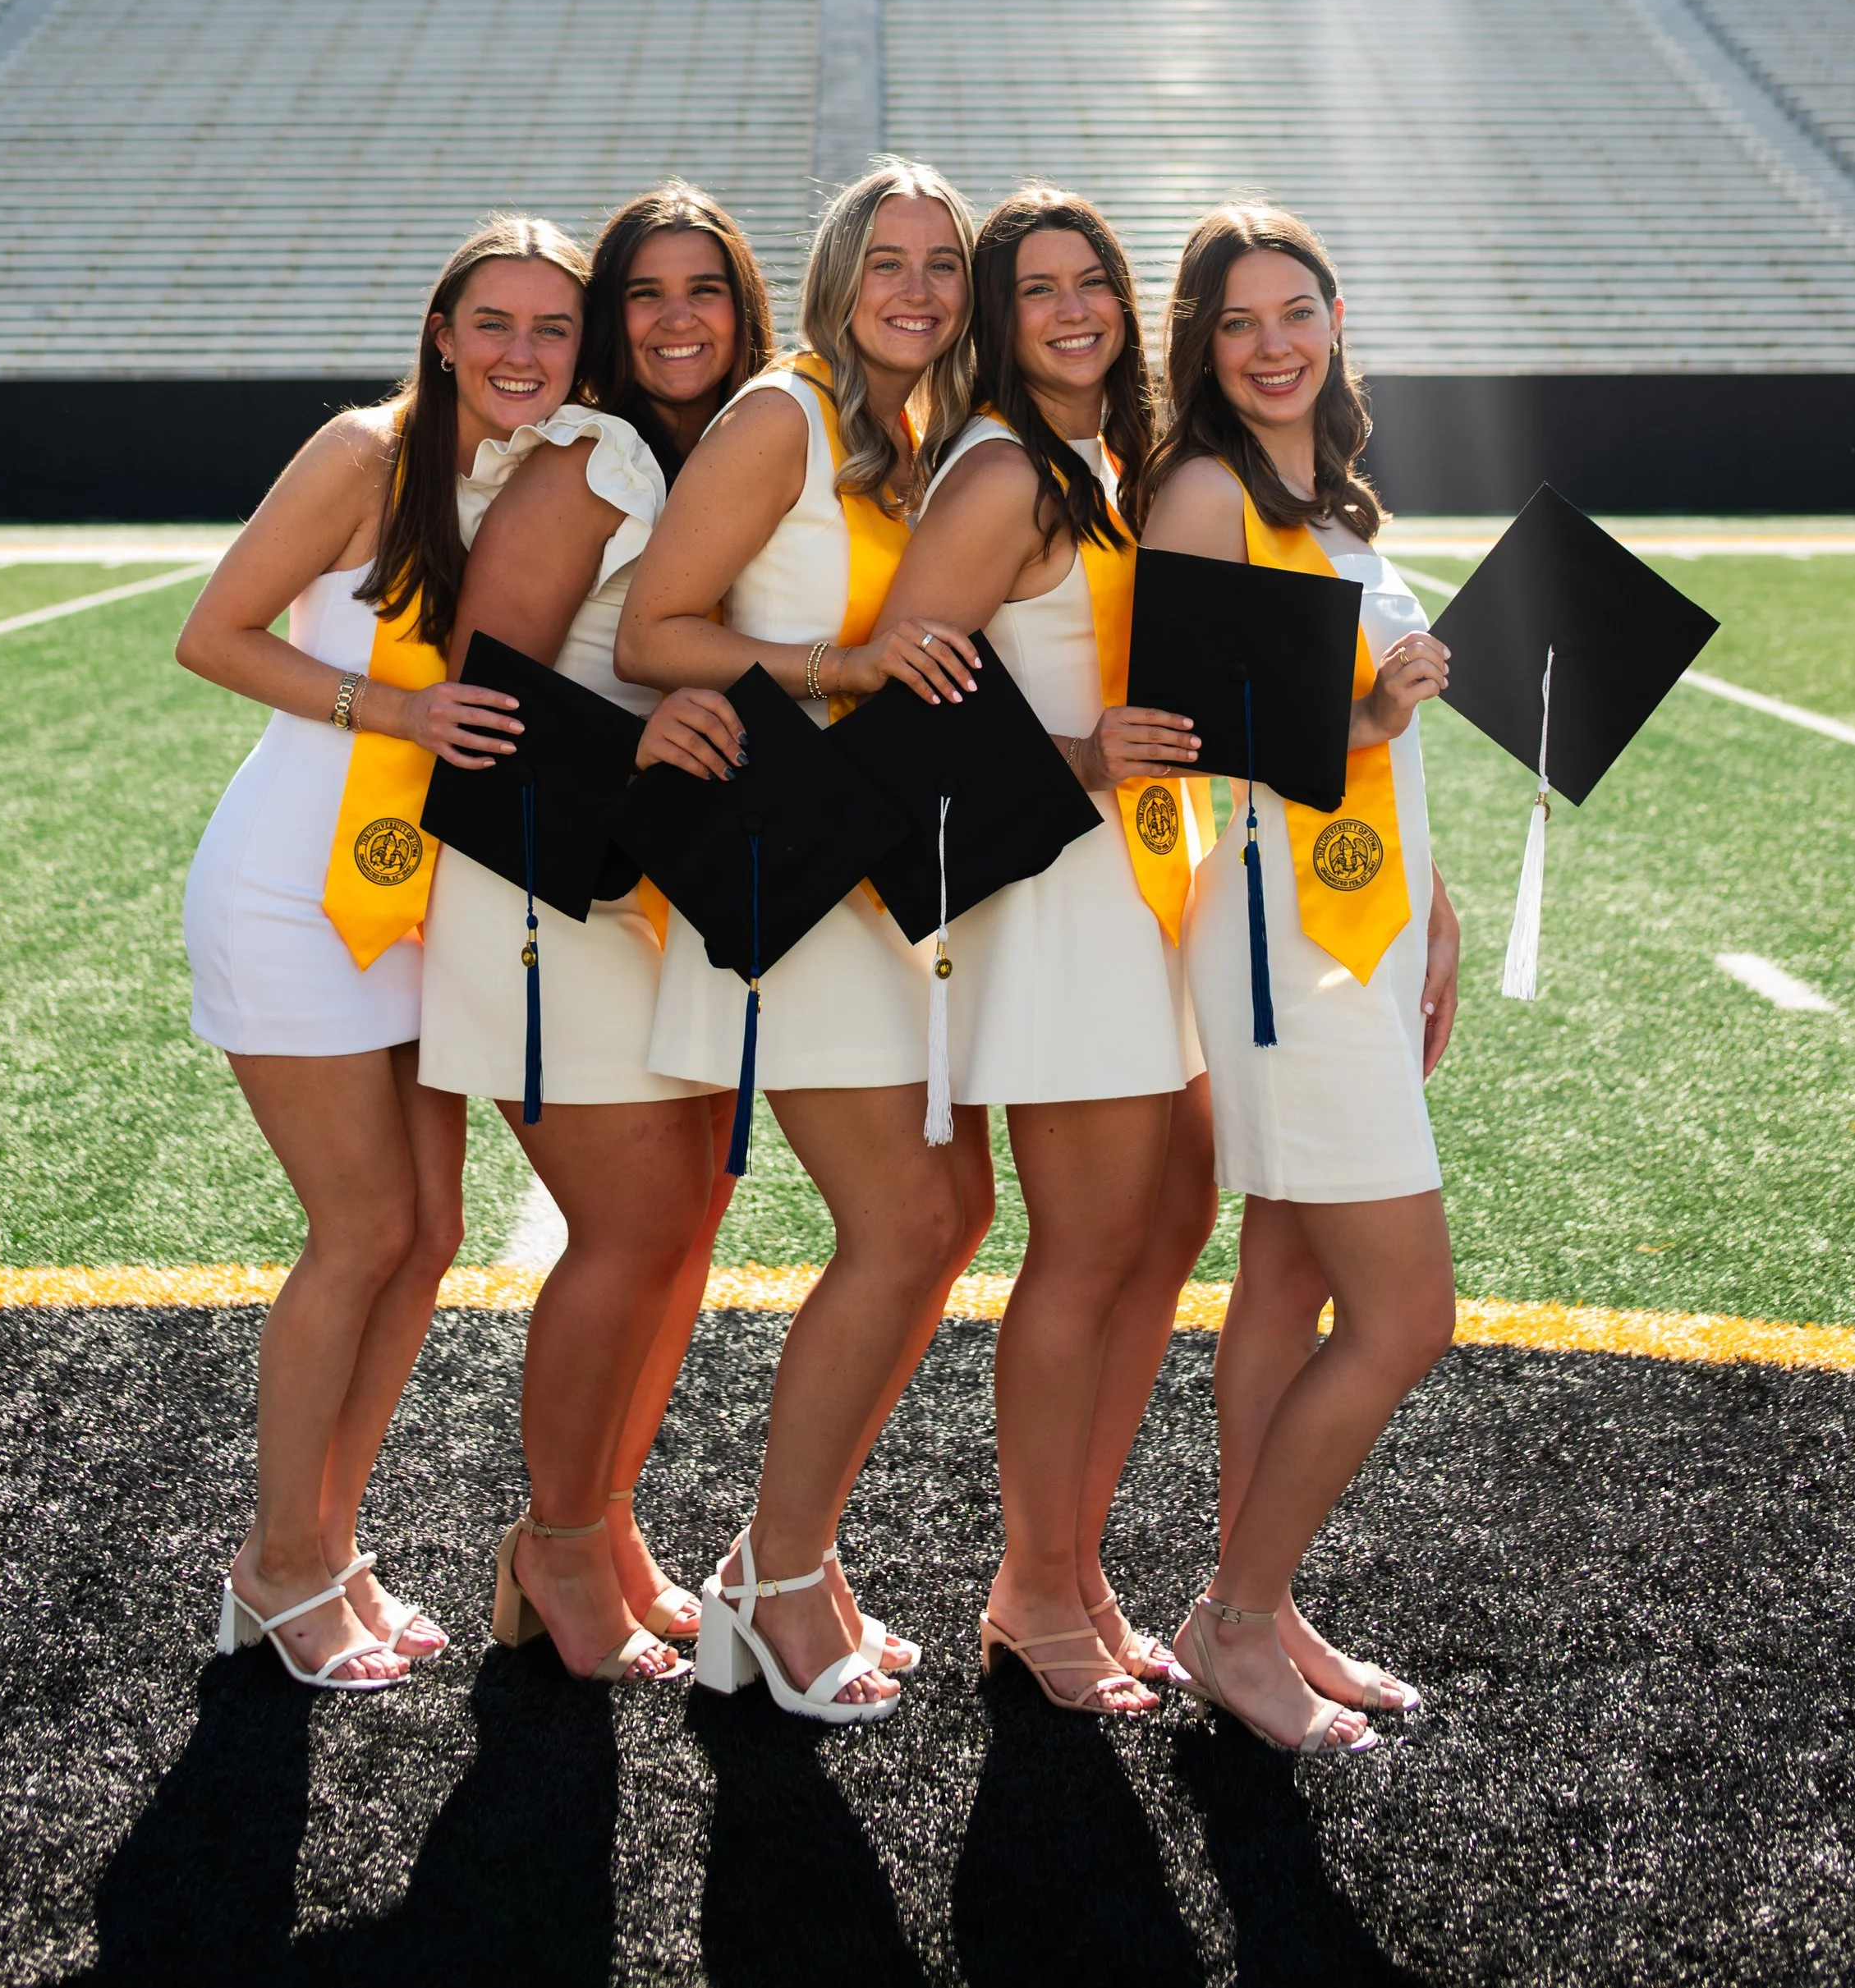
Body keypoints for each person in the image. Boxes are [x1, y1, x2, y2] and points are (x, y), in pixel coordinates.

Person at [177, 216, 589, 1689]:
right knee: (357, 1232)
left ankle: (328, 1546)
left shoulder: (551, 474)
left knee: (422, 1235)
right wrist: (394, 712)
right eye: (495, 323)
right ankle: (277, 1567)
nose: (523, 353)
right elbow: (214, 635)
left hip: (418, 900)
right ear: (443, 331)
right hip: (293, 893)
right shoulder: (367, 452)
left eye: (552, 328)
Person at [615, 159, 993, 1724]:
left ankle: (799, 1564)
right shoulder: (783, 410)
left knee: (953, 1208)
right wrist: (841, 664)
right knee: (909, 1219)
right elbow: (653, 631)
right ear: (839, 277)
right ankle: (770, 1578)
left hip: (876, 874)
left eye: (944, 265)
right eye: (887, 260)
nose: (917, 289)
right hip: (789, 876)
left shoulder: (906, 438)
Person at [865, 186, 1219, 1715]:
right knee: (1087, 1247)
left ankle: (1075, 1563)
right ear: (1001, 324)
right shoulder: (1002, 472)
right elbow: (899, 704)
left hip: (1153, 891)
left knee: (1170, 1224)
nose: (1075, 310)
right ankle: (1031, 1582)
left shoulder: (1116, 464)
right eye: (1038, 290)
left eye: (1096, 283)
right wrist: (1082, 753)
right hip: (1064, 894)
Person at [417, 183, 775, 1681]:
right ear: (613, 324)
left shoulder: (719, 456)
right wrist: (641, 748)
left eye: (707, 290)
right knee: (629, 1228)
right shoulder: (598, 451)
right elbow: (482, 685)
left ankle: (604, 1521)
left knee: (682, 1225)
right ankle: (553, 1547)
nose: (679, 318)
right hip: (533, 883)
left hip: (643, 891)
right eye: (645, 293)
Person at [1135, 204, 1460, 1759]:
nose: (1273, 344)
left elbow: (1380, 751)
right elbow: (1195, 726)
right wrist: (1377, 720)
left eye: (1297, 311)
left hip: (1365, 927)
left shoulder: (1333, 503)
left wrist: (1437, 912)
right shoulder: (1202, 492)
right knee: (1407, 1316)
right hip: (1280, 941)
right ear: (1200, 346)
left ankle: (1259, 1595)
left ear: (1337, 317)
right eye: (1238, 320)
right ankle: (1237, 1621)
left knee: (1287, 1274)